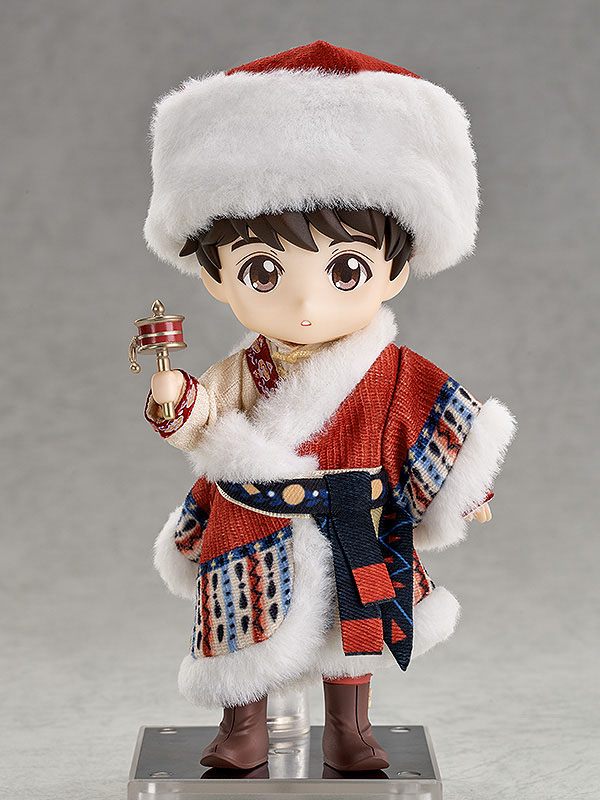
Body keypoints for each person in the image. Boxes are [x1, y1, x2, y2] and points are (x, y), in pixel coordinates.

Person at [141, 41, 516, 772]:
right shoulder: (244, 370)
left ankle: (351, 731)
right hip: (251, 518)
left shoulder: (397, 373)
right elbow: (201, 416)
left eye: (346, 269)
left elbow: (445, 422)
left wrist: (469, 490)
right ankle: (241, 728)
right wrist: (172, 398)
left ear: (395, 270)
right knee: (241, 631)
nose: (306, 303)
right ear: (216, 278)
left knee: (355, 629)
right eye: (263, 271)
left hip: (356, 519)